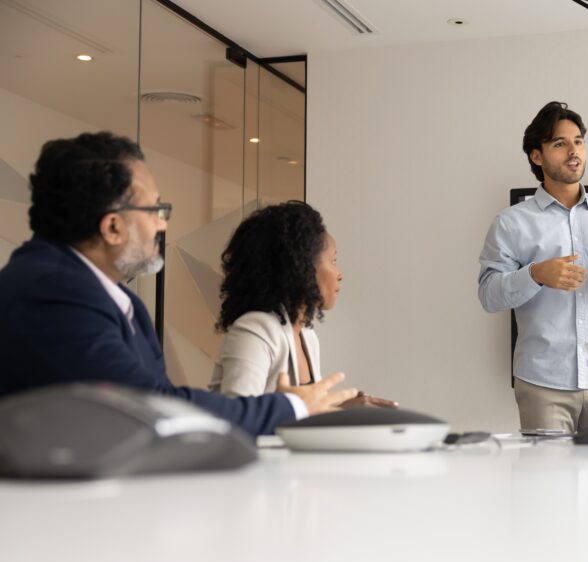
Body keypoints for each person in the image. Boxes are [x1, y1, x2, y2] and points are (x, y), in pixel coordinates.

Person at [0, 132, 356, 437]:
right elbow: (149, 411)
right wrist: (292, 406)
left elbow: (159, 402)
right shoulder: (52, 292)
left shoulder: (124, 304)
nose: (162, 225)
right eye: (156, 210)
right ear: (112, 228)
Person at [478, 101, 588, 433]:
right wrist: (535, 275)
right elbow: (488, 295)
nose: (574, 151)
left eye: (578, 141)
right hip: (543, 382)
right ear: (537, 156)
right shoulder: (511, 222)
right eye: (560, 143)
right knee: (548, 482)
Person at [209, 201, 395, 408]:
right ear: (302, 267)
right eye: (333, 261)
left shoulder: (307, 335)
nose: (340, 274)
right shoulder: (254, 330)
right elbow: (239, 416)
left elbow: (304, 411)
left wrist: (344, 408)